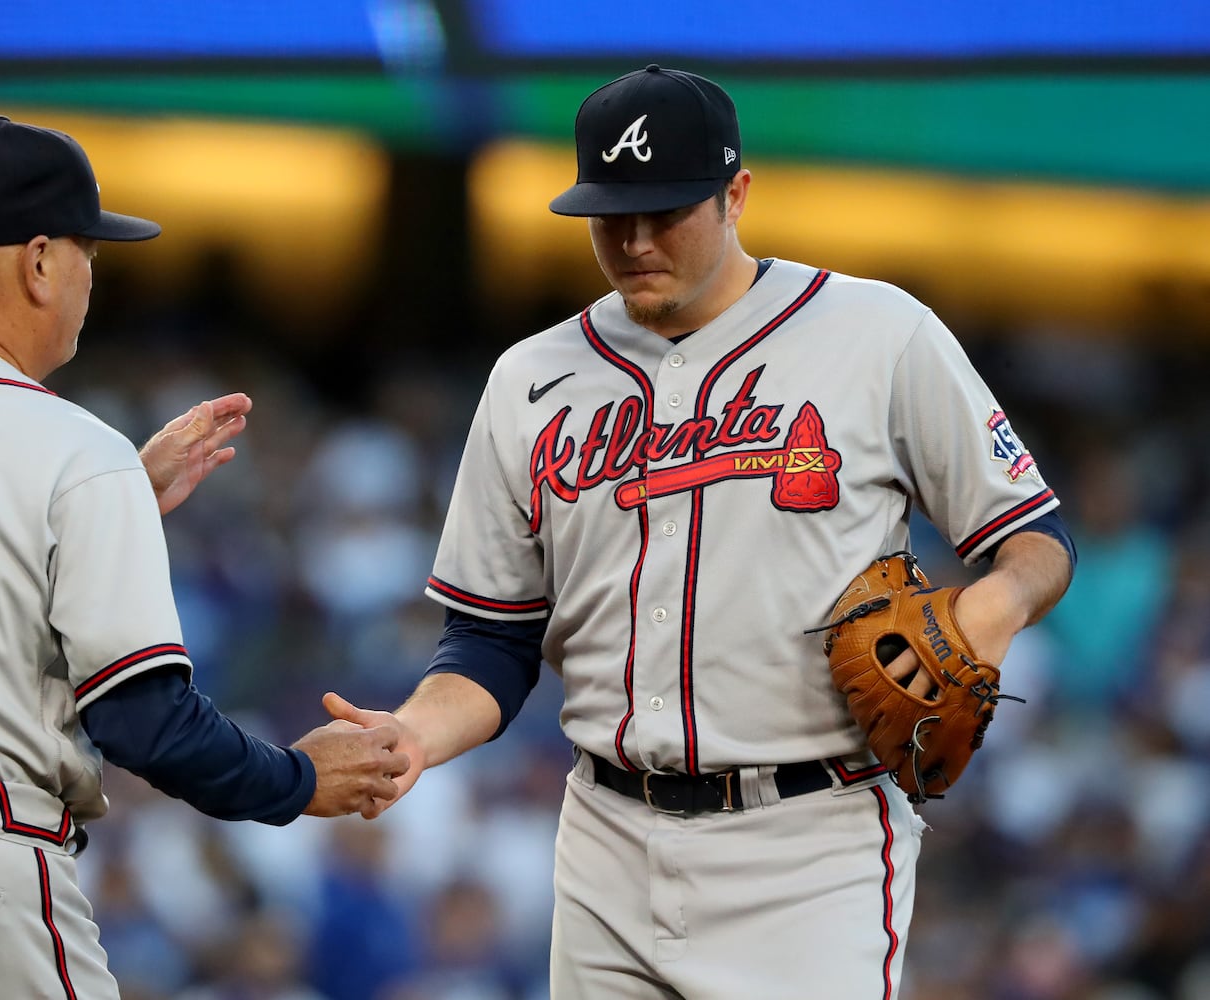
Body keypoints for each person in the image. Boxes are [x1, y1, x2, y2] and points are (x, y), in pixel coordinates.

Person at [326, 65, 1077, 998]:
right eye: (612, 214)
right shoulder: (530, 377)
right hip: (605, 834)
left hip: (809, 843)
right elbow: (490, 640)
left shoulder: (879, 333)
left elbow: (1036, 538)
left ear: (736, 194)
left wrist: (993, 608)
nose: (636, 241)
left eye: (666, 210)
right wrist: (409, 735)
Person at [0, 115, 409, 999]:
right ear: (39, 262)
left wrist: (120, 498)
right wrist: (297, 779)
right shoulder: (70, 447)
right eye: (89, 251)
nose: (94, 275)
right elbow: (144, 723)